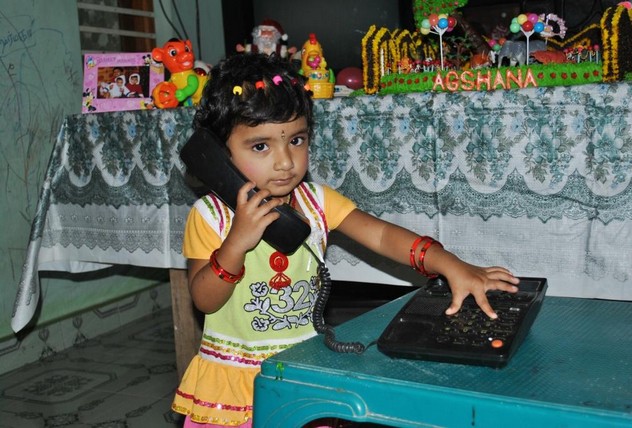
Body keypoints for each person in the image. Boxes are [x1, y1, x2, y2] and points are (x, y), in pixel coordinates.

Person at [172, 53, 519, 427]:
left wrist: (450, 264)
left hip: (304, 367)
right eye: (261, 146)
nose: (286, 162)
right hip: (237, 382)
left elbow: (381, 235)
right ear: (218, 155)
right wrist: (236, 243)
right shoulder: (211, 216)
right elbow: (205, 300)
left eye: (297, 140)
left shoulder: (317, 202)